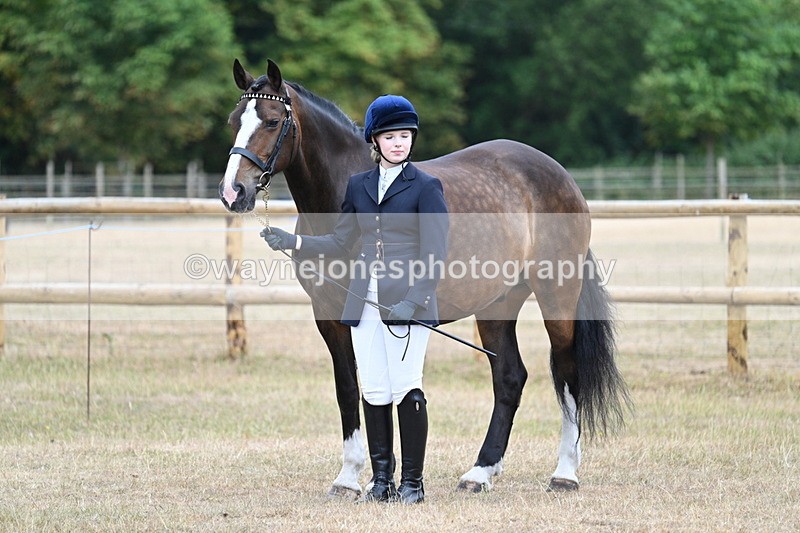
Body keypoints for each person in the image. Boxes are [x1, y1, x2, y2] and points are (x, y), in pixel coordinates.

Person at [262, 95, 449, 504]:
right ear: (374, 141)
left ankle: (412, 485)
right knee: (376, 389)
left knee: (406, 387)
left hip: (407, 302)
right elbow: (341, 240)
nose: (399, 143)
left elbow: (436, 255)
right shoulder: (358, 186)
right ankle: (381, 481)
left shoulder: (426, 187)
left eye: (405, 136)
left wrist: (414, 301)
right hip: (364, 300)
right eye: (390, 136)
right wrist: (292, 241)